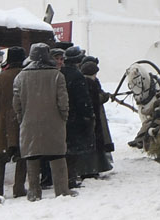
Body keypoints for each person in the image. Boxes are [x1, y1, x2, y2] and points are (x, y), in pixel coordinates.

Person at [12, 42, 70, 200]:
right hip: (54, 122)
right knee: (57, 156)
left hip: (29, 123)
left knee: (32, 157)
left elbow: (16, 104)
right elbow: (63, 101)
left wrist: (22, 118)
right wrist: (63, 117)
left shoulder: (20, 77)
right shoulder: (57, 75)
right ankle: (62, 191)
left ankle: (34, 192)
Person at [61, 47, 101, 183]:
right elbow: (83, 99)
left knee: (66, 148)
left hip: (63, 116)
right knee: (75, 150)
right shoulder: (77, 76)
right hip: (76, 117)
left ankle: (68, 176)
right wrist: (89, 115)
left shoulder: (60, 73)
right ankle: (72, 178)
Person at [0, 47, 25, 196]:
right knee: (22, 155)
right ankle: (18, 187)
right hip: (22, 120)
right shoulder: (25, 76)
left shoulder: (1, 77)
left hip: (3, 122)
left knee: (0, 158)